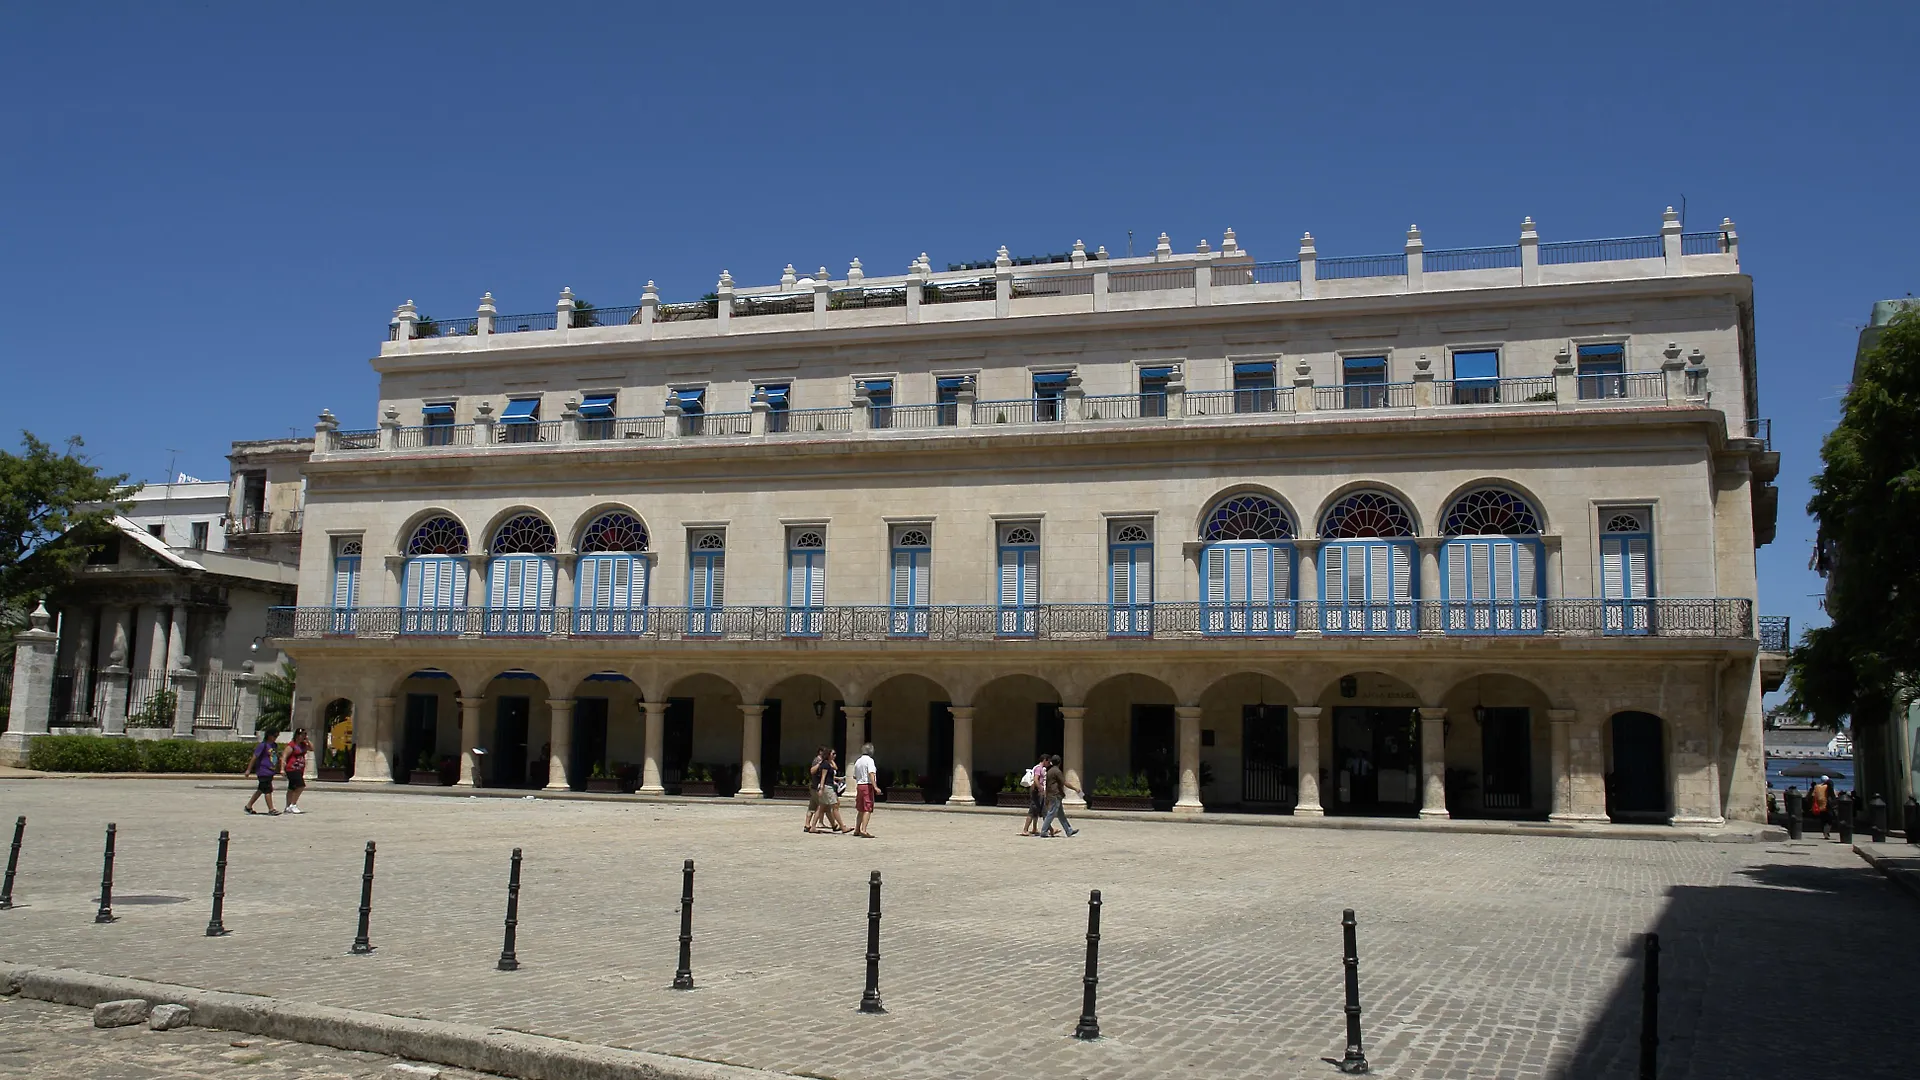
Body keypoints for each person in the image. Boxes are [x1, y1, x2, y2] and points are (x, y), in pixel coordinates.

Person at [1037, 754, 1080, 838]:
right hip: (1055, 794)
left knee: (1060, 814)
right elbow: (1064, 782)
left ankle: (1069, 830)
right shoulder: (1057, 771)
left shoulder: (1050, 771)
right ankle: (1044, 831)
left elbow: (1048, 784)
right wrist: (1075, 789)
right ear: (1059, 762)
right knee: (1052, 813)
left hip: (1051, 794)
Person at [244, 730, 280, 815]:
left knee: (261, 789)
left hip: (270, 771)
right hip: (263, 771)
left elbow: (275, 757)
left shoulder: (274, 745)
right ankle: (271, 809)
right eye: (274, 736)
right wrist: (248, 769)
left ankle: (248, 806)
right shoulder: (263, 745)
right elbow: (254, 757)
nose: (276, 738)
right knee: (268, 789)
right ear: (269, 736)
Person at [852, 742, 882, 838]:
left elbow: (854, 775)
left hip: (859, 785)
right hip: (867, 785)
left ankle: (857, 829)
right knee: (867, 808)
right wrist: (875, 787)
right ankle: (863, 830)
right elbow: (871, 773)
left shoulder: (858, 761)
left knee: (860, 808)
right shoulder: (870, 761)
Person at [817, 748, 848, 834]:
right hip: (827, 787)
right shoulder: (826, 765)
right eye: (833, 754)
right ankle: (842, 826)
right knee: (835, 806)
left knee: (822, 807)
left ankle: (813, 826)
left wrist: (831, 760)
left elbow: (835, 768)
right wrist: (821, 788)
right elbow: (823, 777)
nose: (834, 755)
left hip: (828, 786)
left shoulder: (828, 764)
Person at [283, 728, 313, 813]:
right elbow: (284, 756)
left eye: (304, 734)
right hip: (292, 768)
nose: (303, 736)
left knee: (292, 788)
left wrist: (307, 740)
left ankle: (288, 806)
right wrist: (282, 769)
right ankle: (293, 804)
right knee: (301, 785)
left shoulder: (303, 745)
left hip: (300, 769)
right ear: (297, 735)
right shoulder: (291, 745)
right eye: (301, 735)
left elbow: (312, 748)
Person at [1019, 755, 1048, 836]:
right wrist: (1040, 788)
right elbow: (1036, 779)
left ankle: (1034, 828)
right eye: (1048, 761)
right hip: (1036, 792)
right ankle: (1025, 829)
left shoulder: (1040, 768)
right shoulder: (1038, 768)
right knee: (1032, 810)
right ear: (1045, 760)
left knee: (1036, 810)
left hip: (1037, 792)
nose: (1048, 763)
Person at [804, 746, 828, 833]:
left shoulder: (823, 761)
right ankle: (812, 825)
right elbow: (812, 771)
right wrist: (819, 764)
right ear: (820, 752)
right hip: (816, 786)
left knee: (812, 806)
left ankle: (807, 824)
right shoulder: (817, 760)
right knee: (819, 806)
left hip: (815, 786)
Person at [1809, 775, 1833, 839]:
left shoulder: (1816, 787)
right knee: (1830, 820)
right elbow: (1833, 796)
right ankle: (1826, 831)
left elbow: (1813, 796)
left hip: (1820, 806)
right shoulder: (1829, 786)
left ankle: (1824, 832)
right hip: (1828, 805)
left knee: (1823, 820)